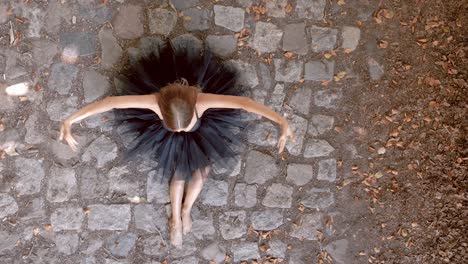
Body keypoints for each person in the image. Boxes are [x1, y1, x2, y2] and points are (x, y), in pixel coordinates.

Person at [59, 41, 295, 246]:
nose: (181, 131)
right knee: (180, 173)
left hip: (202, 132)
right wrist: (70, 119)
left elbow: (244, 103)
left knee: (201, 172)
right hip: (168, 136)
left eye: (183, 125)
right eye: (177, 127)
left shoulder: (201, 101)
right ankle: (175, 218)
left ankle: (186, 210)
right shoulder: (154, 102)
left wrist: (281, 121)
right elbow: (110, 102)